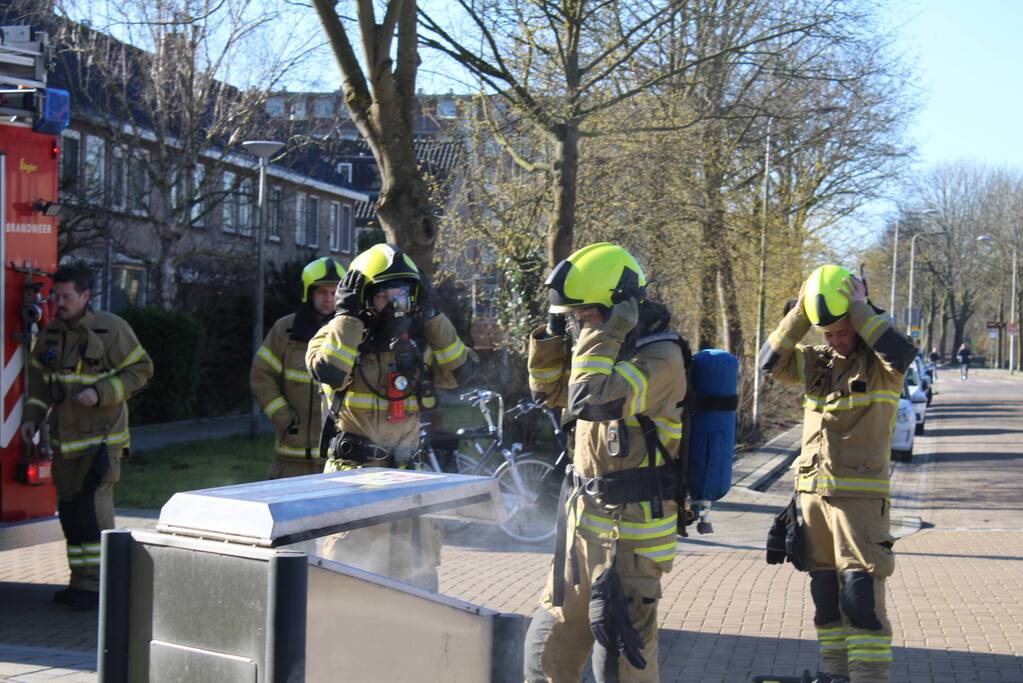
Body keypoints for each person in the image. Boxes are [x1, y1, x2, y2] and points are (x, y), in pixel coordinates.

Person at [523, 243, 688, 683]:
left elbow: (590, 399)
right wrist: (553, 333)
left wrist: (606, 332)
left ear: (620, 309)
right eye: (572, 316)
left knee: (621, 665)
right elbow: (549, 393)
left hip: (631, 542)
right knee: (545, 653)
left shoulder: (660, 358)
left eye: (585, 314)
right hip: (582, 531)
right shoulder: (596, 352)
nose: (579, 325)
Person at [759, 264, 916, 683]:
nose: (834, 340)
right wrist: (800, 313)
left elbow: (901, 352)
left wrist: (860, 308)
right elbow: (768, 362)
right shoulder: (818, 362)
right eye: (826, 333)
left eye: (841, 332)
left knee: (860, 599)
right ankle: (835, 675)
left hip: (858, 505)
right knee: (826, 599)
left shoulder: (882, 368)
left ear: (858, 325)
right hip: (812, 500)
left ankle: (868, 677)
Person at [305, 243, 477, 590]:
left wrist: (433, 316)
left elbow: (460, 372)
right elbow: (329, 371)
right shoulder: (336, 336)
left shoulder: (418, 346)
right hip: (354, 485)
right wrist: (348, 318)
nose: (395, 305)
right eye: (384, 296)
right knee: (349, 595)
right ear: (363, 298)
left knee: (419, 595)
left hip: (407, 486)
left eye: (401, 295)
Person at [21, 265, 154, 610]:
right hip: (65, 443)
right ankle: (81, 583)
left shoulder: (111, 329)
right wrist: (31, 419)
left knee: (93, 513)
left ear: (85, 295)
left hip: (101, 442)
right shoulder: (51, 334)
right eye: (56, 296)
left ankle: (103, 587)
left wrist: (100, 393)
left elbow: (141, 370)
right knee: (71, 515)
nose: (59, 302)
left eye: (66, 296)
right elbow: (39, 383)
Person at [250, 257, 344, 478]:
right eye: (322, 292)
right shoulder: (284, 330)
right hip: (291, 459)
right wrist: (285, 420)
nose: (329, 299)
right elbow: (261, 376)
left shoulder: (350, 334)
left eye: (334, 292)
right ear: (308, 293)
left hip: (335, 458)